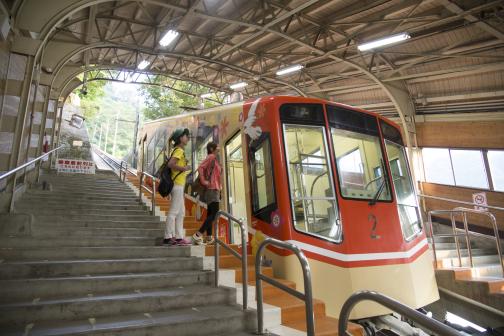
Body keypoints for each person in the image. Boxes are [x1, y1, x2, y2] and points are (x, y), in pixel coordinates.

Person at [163, 128, 192, 246]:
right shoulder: (179, 150)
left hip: (179, 185)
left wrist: (184, 166)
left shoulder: (178, 150)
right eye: (186, 136)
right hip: (177, 185)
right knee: (174, 212)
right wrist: (184, 168)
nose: (188, 138)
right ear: (181, 138)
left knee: (181, 212)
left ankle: (179, 237)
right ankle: (168, 237)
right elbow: (171, 164)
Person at [192, 142, 221, 245]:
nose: (219, 148)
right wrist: (204, 181)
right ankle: (198, 234)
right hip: (212, 189)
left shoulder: (214, 158)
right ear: (212, 148)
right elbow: (200, 167)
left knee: (210, 213)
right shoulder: (211, 157)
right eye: (217, 146)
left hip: (214, 189)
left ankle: (209, 237)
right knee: (214, 214)